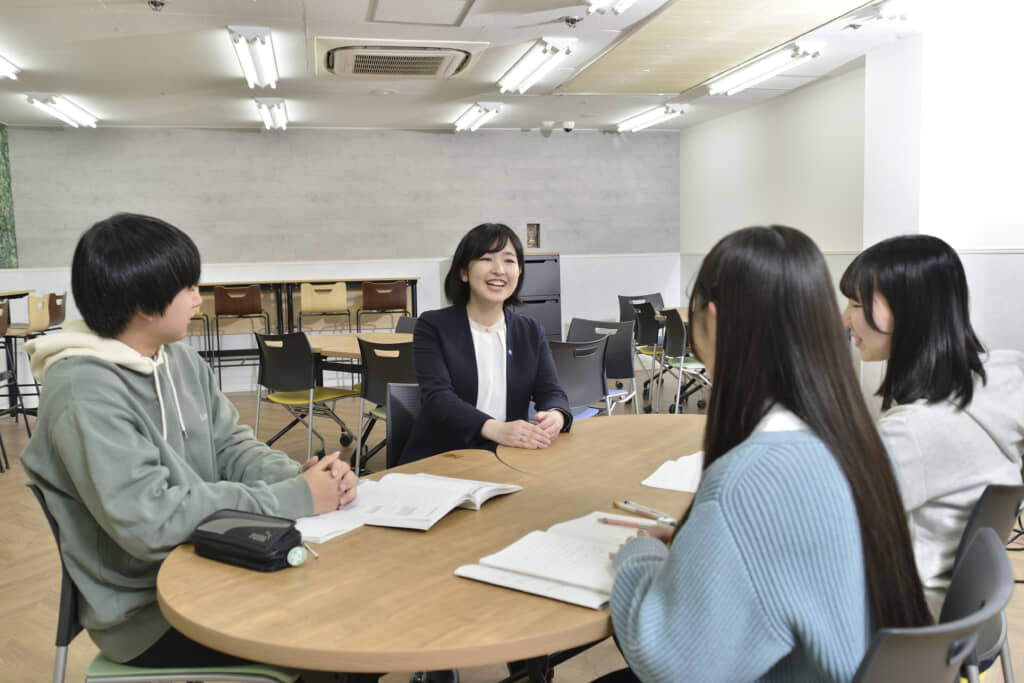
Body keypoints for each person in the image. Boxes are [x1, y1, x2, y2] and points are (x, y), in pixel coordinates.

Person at [21, 213, 359, 668]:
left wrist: (302, 477)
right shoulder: (83, 391)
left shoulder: (176, 357)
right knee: (342, 637)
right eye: (190, 289)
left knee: (357, 605)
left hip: (218, 559)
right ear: (145, 305)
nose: (200, 299)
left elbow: (229, 445)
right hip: (148, 610)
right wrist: (296, 496)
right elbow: (152, 522)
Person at [605, 226, 931, 683]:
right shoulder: (861, 441)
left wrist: (639, 556)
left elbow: (673, 662)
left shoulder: (747, 481)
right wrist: (697, 540)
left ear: (714, 319)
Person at [840, 234, 1024, 619]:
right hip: (963, 624)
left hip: (902, 630)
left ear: (910, 311)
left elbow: (827, 522)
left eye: (856, 304)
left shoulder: (913, 433)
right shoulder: (999, 383)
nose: (846, 319)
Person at [400, 222, 572, 464]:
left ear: (519, 271)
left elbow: (551, 391)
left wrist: (557, 415)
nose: (499, 270)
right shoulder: (434, 326)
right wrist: (495, 429)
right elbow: (438, 398)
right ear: (463, 272)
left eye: (509, 261)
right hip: (445, 457)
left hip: (508, 456)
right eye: (486, 259)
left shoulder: (530, 330)